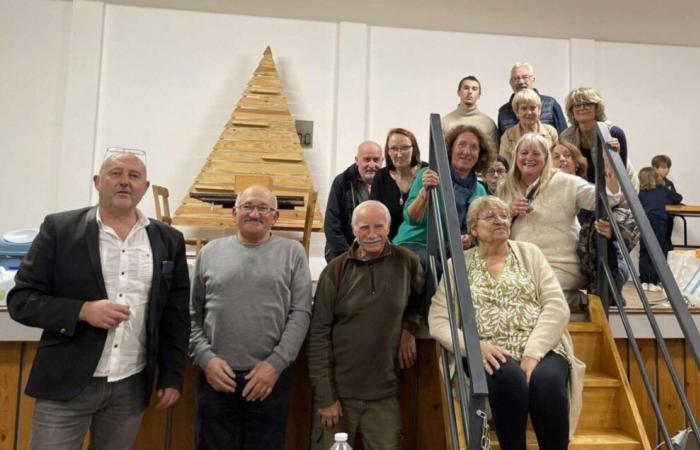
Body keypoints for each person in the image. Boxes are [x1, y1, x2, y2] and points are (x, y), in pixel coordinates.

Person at [7, 149, 190, 450]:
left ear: (145, 186)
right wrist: (82, 310)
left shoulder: (168, 240)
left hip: (131, 385)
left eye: (134, 176)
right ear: (97, 181)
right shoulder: (60, 229)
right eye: (115, 173)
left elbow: (175, 314)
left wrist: (172, 375)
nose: (125, 182)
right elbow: (21, 299)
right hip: (66, 384)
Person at [429, 196, 585, 450]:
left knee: (546, 382)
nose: (499, 220)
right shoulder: (457, 265)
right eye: (490, 216)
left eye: (503, 216)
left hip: (541, 347)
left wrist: (533, 353)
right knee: (508, 377)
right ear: (474, 228)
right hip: (490, 351)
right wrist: (474, 346)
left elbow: (556, 305)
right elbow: (438, 319)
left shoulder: (529, 253)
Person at [189, 185, 312, 450]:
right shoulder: (209, 253)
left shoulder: (293, 253)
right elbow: (192, 314)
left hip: (269, 380)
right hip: (216, 379)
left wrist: (276, 364)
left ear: (275, 217)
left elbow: (301, 312)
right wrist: (205, 359)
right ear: (234, 213)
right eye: (247, 206)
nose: (254, 214)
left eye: (263, 208)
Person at [308, 200, 424, 450]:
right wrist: (326, 398)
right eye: (364, 227)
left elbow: (418, 302)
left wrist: (409, 329)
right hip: (338, 396)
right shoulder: (335, 271)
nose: (372, 234)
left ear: (389, 228)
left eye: (378, 226)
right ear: (353, 230)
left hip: (384, 395)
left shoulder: (408, 263)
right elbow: (318, 336)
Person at [498, 133, 620, 307]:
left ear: (546, 158)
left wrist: (609, 164)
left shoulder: (566, 182)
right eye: (524, 153)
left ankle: (582, 302)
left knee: (529, 292)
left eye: (536, 153)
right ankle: (573, 301)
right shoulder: (505, 188)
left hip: (560, 264)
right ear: (516, 157)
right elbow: (492, 229)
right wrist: (509, 213)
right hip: (518, 266)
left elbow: (609, 199)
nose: (529, 158)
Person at [393, 124, 490, 269]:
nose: (466, 151)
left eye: (474, 147)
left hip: (452, 250)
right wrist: (424, 192)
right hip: (415, 243)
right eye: (461, 145)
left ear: (480, 154)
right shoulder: (429, 174)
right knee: (434, 267)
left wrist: (468, 238)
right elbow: (412, 218)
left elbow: (477, 229)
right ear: (450, 149)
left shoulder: (480, 190)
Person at [324, 141, 384, 261]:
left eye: (376, 160)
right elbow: (332, 224)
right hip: (344, 249)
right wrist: (349, 254)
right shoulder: (342, 182)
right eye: (367, 159)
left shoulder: (388, 183)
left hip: (378, 250)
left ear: (382, 161)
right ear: (357, 160)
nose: (372, 165)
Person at [560, 87, 628, 184]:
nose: (582, 108)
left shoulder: (613, 133)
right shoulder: (566, 136)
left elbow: (621, 172)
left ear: (597, 108)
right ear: (572, 111)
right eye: (577, 105)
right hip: (580, 191)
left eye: (587, 104)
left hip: (611, 190)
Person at [371, 128, 427, 240]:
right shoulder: (381, 177)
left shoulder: (426, 173)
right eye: (394, 149)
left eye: (405, 148)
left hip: (420, 242)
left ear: (414, 149)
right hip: (387, 244)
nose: (399, 154)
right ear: (388, 151)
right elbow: (375, 214)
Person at [637, 167, 683, 292]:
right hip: (659, 222)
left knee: (644, 252)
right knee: (657, 251)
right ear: (656, 178)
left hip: (643, 222)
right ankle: (654, 281)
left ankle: (644, 281)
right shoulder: (663, 190)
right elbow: (679, 198)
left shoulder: (640, 192)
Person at [497, 62, 567, 136]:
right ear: (511, 83)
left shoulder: (550, 104)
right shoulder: (503, 112)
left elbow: (564, 138)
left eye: (525, 77)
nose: (521, 81)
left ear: (533, 80)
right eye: (516, 78)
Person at [499, 88, 559, 165]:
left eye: (533, 108)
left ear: (539, 110)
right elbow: (505, 166)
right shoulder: (508, 136)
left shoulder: (551, 132)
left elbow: (556, 161)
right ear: (517, 112)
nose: (529, 112)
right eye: (524, 108)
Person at [442, 75, 499, 150]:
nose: (470, 92)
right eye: (466, 88)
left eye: (474, 89)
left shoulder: (488, 124)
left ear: (479, 95)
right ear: (458, 92)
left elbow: (493, 156)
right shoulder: (444, 122)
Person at [652, 154, 683, 253]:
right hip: (655, 219)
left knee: (666, 243)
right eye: (664, 167)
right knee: (655, 245)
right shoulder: (650, 183)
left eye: (668, 167)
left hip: (668, 218)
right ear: (655, 168)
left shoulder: (669, 184)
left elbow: (675, 198)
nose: (667, 170)